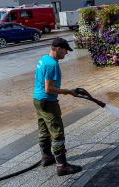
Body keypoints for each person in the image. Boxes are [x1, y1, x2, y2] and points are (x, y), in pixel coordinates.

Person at [33, 37, 82, 176]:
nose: (66, 54)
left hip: (37, 100)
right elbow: (49, 88)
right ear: (59, 48)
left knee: (43, 129)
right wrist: (68, 92)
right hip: (48, 101)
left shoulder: (44, 59)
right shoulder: (52, 64)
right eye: (66, 50)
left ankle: (47, 157)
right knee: (57, 133)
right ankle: (62, 166)